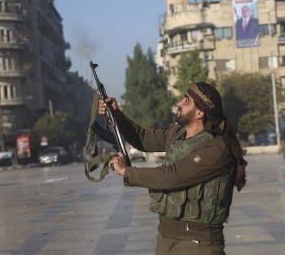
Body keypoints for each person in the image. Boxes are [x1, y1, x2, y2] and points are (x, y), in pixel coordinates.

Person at [98, 82, 247, 255]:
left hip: (198, 243)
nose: (179, 103)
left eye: (187, 100)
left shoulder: (216, 148)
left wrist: (126, 172)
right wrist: (117, 115)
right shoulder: (177, 134)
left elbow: (171, 176)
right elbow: (143, 138)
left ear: (200, 112)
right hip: (166, 237)